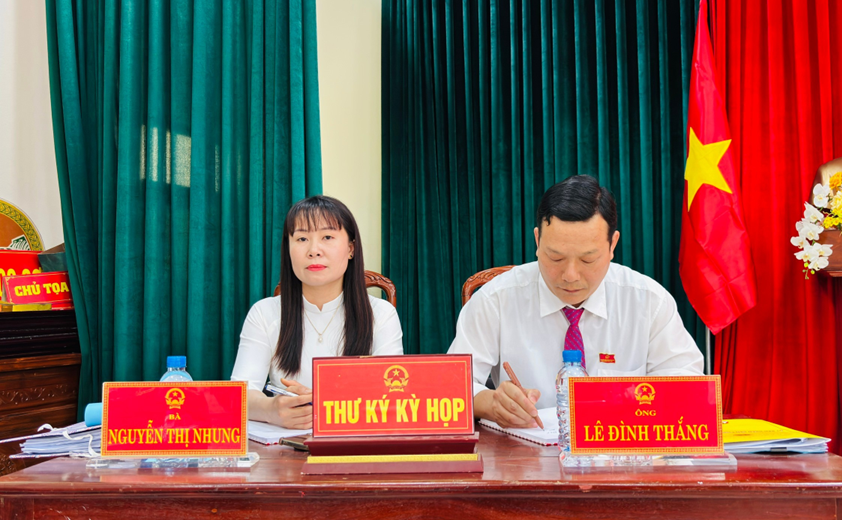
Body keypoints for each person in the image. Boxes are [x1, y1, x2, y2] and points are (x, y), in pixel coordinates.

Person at [447, 175, 703, 428]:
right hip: (526, 450)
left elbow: (686, 384)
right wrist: (491, 403)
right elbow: (452, 388)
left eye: (587, 260)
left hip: (622, 446)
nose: (570, 276)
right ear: (537, 241)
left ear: (612, 245)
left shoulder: (648, 302)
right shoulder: (495, 300)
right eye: (555, 258)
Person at [231, 196, 404, 429]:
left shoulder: (381, 314)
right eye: (302, 239)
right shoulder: (264, 313)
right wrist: (272, 410)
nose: (314, 251)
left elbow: (393, 398)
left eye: (327, 237)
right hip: (286, 443)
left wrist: (324, 404)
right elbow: (240, 394)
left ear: (351, 248)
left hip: (355, 442)